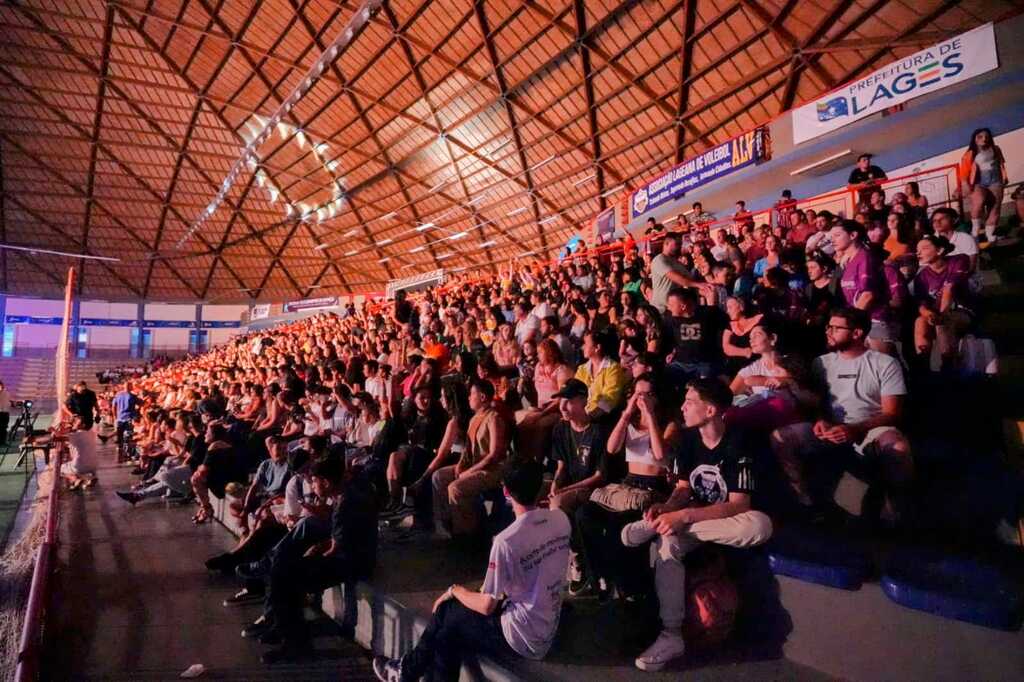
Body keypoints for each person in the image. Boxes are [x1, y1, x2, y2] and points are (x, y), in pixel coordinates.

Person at [621, 378, 772, 671]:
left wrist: (682, 517)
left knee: (759, 524)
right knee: (668, 543)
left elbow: (739, 504)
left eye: (690, 402)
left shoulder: (738, 440)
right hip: (693, 515)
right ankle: (671, 634)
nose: (682, 407)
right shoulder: (688, 440)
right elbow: (682, 488)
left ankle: (659, 526)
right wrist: (669, 507)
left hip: (725, 519)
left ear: (711, 410)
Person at [373, 460, 570, 682]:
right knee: (448, 629)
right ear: (540, 488)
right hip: (547, 624)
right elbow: (556, 509)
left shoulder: (507, 541)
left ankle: (406, 670)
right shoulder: (561, 520)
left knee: (447, 614)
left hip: (522, 637)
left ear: (505, 491)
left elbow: (487, 605)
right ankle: (406, 670)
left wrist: (454, 590)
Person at [771, 308, 912, 517]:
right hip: (832, 427)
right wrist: (820, 420)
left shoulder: (884, 363)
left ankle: (896, 509)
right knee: (781, 438)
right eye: (828, 327)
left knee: (898, 446)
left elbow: (892, 413)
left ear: (856, 333)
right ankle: (805, 503)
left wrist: (854, 429)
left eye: (836, 328)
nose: (828, 332)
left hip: (871, 428)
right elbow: (817, 402)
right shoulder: (821, 363)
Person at [261, 456, 378, 663]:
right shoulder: (347, 494)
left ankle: (296, 643)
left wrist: (313, 555)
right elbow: (337, 539)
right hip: (351, 557)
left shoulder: (347, 502)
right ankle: (285, 628)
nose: (312, 486)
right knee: (285, 567)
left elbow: (336, 548)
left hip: (351, 564)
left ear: (325, 482)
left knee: (284, 575)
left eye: (314, 481)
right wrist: (316, 550)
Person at [432, 379, 510, 537]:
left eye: (472, 394)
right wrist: (461, 465)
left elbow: (494, 454)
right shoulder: (474, 419)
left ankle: (467, 533)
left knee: (456, 488)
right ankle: (447, 524)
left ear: (482, 397)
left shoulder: (494, 418)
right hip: (474, 466)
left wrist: (470, 471)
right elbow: (468, 449)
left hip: (492, 470)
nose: (468, 397)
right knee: (439, 477)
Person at [913, 235, 973, 367]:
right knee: (920, 321)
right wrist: (929, 315)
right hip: (937, 312)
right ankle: (923, 363)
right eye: (917, 249)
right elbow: (921, 304)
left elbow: (949, 288)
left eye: (924, 248)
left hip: (961, 310)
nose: (919, 253)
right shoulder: (921, 276)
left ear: (940, 250)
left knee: (944, 321)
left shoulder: (959, 260)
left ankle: (948, 363)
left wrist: (941, 315)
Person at [573, 330, 629, 421]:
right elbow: (573, 392)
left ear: (597, 347)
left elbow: (609, 399)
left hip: (603, 419)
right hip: (582, 415)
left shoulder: (613, 368)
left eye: (586, 344)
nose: (583, 347)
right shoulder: (582, 369)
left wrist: (589, 417)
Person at [965, 128, 1009, 243]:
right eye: (980, 136)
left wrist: (1004, 176)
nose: (984, 139)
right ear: (974, 139)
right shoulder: (970, 153)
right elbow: (965, 172)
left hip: (996, 180)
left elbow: (1001, 164)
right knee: (978, 201)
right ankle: (975, 230)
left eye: (986, 136)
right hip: (979, 181)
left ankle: (990, 234)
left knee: (995, 207)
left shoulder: (995, 149)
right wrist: (967, 185)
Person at [649, 232, 711, 313]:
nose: (679, 247)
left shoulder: (677, 263)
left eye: (680, 244)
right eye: (677, 244)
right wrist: (698, 285)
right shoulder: (659, 260)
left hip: (674, 308)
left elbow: (689, 278)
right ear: (666, 243)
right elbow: (678, 279)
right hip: (660, 309)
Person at [58, 415, 99, 490]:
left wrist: (53, 430)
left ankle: (76, 480)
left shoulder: (75, 436)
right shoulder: (91, 433)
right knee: (79, 465)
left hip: (80, 467)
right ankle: (89, 478)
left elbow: (57, 438)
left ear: (82, 425)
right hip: (94, 466)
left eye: (75, 423)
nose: (73, 424)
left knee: (60, 469)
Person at [111, 382, 140, 459]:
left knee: (120, 436)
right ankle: (127, 453)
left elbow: (113, 406)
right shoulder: (132, 396)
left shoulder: (118, 395)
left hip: (120, 418)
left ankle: (120, 451)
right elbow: (141, 403)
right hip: (129, 418)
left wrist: (115, 417)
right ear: (130, 387)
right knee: (128, 436)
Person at [0, 380, 11, 445]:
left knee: (4, 427)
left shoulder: (6, 392)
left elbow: (8, 401)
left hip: (5, 412)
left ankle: (3, 441)